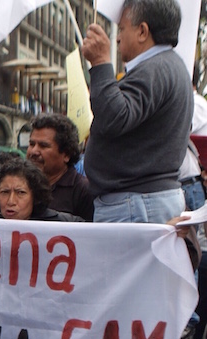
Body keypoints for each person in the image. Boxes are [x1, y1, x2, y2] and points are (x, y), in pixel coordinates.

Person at [80, 0, 192, 224]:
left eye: (122, 29)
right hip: (140, 203)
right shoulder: (167, 67)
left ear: (142, 31)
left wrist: (101, 63)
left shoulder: (155, 69)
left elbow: (114, 118)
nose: (118, 38)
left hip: (134, 205)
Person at [26, 114, 94, 221]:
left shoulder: (83, 191)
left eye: (43, 146)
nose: (34, 151)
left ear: (66, 154)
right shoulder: (20, 185)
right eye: (31, 144)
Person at [0, 158, 83, 222]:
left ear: (35, 196)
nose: (11, 201)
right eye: (5, 192)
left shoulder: (63, 223)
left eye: (21, 193)